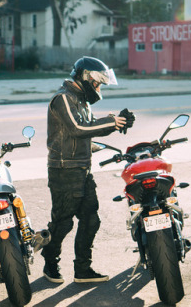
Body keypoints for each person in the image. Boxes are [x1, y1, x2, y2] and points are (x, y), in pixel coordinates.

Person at [41, 56, 135, 284]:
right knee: (63, 222)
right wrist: (113, 121)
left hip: (83, 169)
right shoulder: (62, 98)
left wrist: (116, 125)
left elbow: (89, 131)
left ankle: (83, 269)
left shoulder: (81, 100)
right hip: (64, 171)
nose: (99, 88)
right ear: (87, 78)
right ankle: (50, 262)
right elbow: (78, 128)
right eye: (98, 83)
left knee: (91, 220)